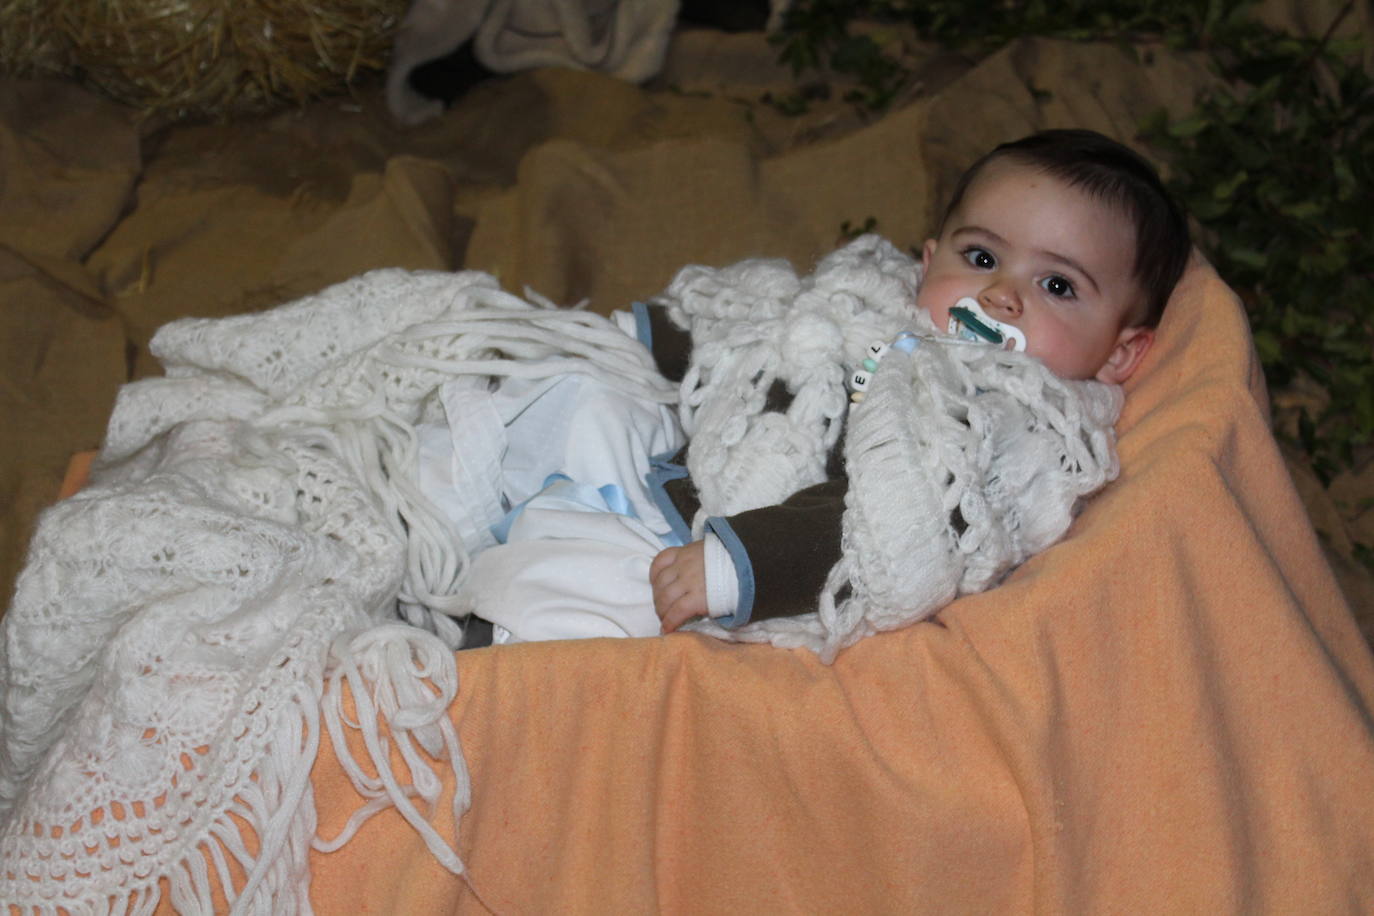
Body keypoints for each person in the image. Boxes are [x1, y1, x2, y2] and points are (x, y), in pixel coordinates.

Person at [420, 128, 1190, 647]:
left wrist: (739, 566)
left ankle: (474, 636)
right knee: (573, 395)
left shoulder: (1022, 434)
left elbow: (897, 525)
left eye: (1057, 284)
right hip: (691, 456)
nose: (1001, 296)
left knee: (586, 596)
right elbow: (770, 334)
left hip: (717, 554)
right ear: (929, 261)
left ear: (1122, 354)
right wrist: (642, 339)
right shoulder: (871, 302)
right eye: (983, 259)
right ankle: (434, 509)